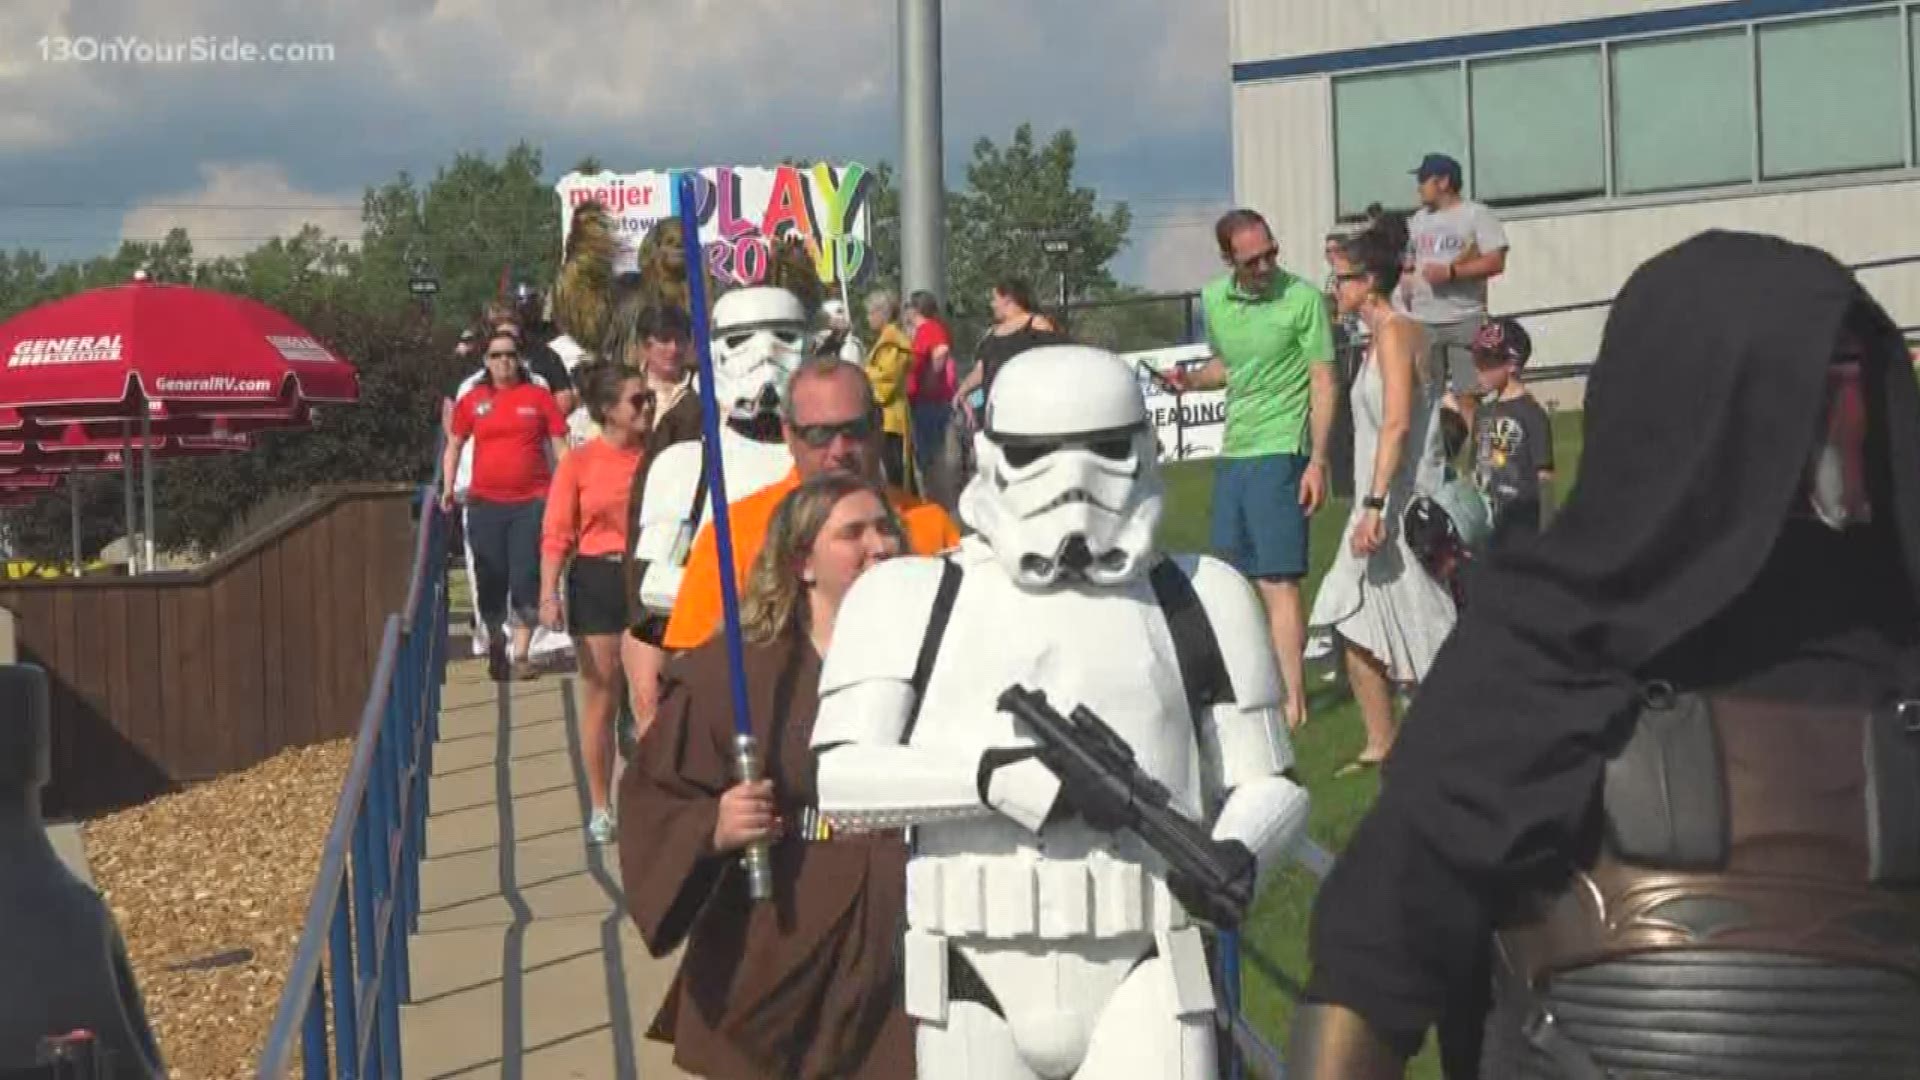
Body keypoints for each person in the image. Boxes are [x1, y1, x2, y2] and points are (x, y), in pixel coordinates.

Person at [1288, 230, 1920, 1079]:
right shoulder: (1537, 655)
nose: (1837, 425)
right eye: (1803, 393)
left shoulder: (1897, 654)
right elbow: (1369, 972)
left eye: (1849, 385)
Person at [811, 344, 1312, 1080]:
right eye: (1040, 454)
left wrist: (1239, 853)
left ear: (1141, 447)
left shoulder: (1201, 596)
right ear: (992, 454)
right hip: (970, 967)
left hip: (1147, 958)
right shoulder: (912, 597)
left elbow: (1269, 779)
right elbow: (842, 782)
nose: (1074, 482)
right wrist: (988, 780)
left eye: (1105, 451)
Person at [619, 471, 915, 1080]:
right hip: (784, 926)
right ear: (803, 561)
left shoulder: (939, 656)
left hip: (904, 929)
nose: (879, 546)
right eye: (853, 534)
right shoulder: (738, 672)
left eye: (886, 529)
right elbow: (656, 794)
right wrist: (715, 823)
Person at [1166, 208, 1338, 732]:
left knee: (1277, 580)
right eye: (1252, 259)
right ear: (1229, 260)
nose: (1265, 265)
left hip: (1282, 449)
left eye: (1271, 253)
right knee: (1231, 577)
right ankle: (1246, 688)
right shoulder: (1215, 299)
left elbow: (1323, 380)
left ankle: (1293, 702)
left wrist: (1317, 460)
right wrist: (1193, 380)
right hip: (1235, 451)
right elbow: (1228, 366)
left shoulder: (1303, 298)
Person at [661, 358, 960, 651]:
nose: (840, 450)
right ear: (789, 435)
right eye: (819, 435)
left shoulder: (930, 525)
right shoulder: (731, 536)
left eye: (854, 431)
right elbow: (691, 668)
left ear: (878, 426)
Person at [1307, 216, 1455, 778]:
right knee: (1352, 617)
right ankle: (1382, 743)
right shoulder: (1380, 337)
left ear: (1369, 282)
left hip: (1401, 506)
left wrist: (1372, 508)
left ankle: (1440, 743)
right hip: (1378, 502)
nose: (1334, 290)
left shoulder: (1397, 332)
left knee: (1424, 625)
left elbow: (1395, 425)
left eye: (1341, 279)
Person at [540, 361, 653, 844]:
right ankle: (602, 805)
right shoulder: (580, 463)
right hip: (596, 577)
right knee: (602, 697)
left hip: (647, 577)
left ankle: (653, 801)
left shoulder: (659, 458)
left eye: (648, 398)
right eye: (637, 400)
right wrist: (548, 593)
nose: (647, 406)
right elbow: (556, 533)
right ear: (608, 411)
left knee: (650, 697)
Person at [442, 330, 570, 681]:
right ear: (486, 362)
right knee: (491, 579)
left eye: (510, 355)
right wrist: (448, 488)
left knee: (526, 575)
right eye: (496, 356)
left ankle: (523, 653)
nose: (504, 362)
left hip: (531, 503)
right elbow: (454, 444)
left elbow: (560, 446)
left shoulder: (538, 397)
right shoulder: (473, 400)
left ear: (519, 359)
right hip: (485, 505)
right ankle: (496, 641)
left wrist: (569, 488)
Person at [617, 305, 704, 741]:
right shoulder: (621, 394)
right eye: (662, 340)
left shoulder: (708, 397)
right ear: (645, 347)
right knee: (641, 693)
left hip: (686, 545)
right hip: (623, 545)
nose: (671, 349)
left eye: (679, 339)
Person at [1397, 153, 1509, 433]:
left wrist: (1452, 273)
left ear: (1444, 181)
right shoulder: (1418, 220)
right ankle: (1432, 461)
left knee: (1468, 395)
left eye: (1424, 180)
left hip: (1465, 317)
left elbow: (1496, 261)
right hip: (1423, 319)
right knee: (1424, 395)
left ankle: (1475, 462)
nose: (1419, 187)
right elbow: (1410, 262)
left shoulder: (1476, 215)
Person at [1468, 317, 1555, 549]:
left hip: (1521, 524)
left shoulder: (1533, 414)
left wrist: (1546, 537)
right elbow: (1474, 469)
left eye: (1487, 363)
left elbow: (1544, 479)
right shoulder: (1482, 413)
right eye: (1477, 361)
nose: (1479, 371)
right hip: (1485, 523)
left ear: (1512, 364)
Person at [954, 277, 1063, 423]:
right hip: (992, 407)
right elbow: (982, 371)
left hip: (1025, 406)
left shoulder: (1037, 324)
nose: (992, 304)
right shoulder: (992, 332)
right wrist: (963, 393)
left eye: (995, 299)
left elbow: (1055, 360)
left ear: (1008, 300)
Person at [861, 290, 916, 490]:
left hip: (890, 419)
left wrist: (862, 373)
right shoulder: (885, 340)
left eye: (869, 313)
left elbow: (887, 381)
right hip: (883, 419)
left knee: (896, 478)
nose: (867, 318)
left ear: (881, 314)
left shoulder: (892, 342)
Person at [905, 290, 957, 500]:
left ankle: (939, 501)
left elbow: (941, 351)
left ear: (915, 309)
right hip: (923, 402)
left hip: (929, 403)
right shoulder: (923, 330)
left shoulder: (930, 329)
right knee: (927, 456)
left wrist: (930, 379)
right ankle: (935, 499)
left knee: (931, 457)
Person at [814, 298, 865, 363]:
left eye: (841, 312)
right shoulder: (819, 342)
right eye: (839, 312)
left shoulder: (850, 343)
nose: (843, 317)